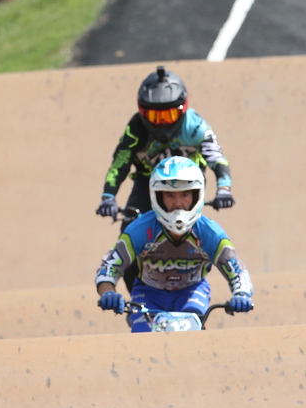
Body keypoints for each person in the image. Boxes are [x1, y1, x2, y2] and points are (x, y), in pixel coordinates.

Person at [95, 66, 235, 289]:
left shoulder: (195, 125)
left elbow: (216, 157)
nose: (162, 123)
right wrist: (108, 197)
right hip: (147, 184)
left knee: (196, 229)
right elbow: (120, 163)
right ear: (142, 112)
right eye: (154, 116)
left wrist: (224, 189)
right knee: (130, 230)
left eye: (169, 115)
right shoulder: (136, 129)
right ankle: (138, 298)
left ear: (182, 110)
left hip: (189, 183)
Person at [95, 157, 254, 332]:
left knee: (192, 338)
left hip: (192, 291)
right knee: (141, 341)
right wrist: (108, 293)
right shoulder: (139, 230)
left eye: (185, 194)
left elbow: (237, 271)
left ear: (196, 195)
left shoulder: (210, 233)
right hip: (148, 293)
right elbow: (109, 268)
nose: (178, 204)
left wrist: (242, 294)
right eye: (170, 195)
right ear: (157, 196)